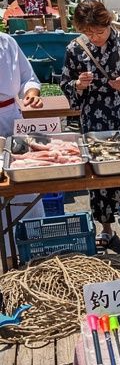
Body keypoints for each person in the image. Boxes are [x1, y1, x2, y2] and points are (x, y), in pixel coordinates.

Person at [60, 1, 120, 250]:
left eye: (99, 32)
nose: (94, 37)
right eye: (88, 33)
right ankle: (105, 228)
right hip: (95, 118)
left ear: (109, 23)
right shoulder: (75, 48)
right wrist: (79, 85)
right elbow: (65, 83)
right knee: (100, 175)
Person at [0, 32, 47, 237]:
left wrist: (31, 94)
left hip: (12, 117)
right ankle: (7, 257)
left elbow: (28, 77)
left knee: (25, 182)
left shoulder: (7, 42)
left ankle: (32, 246)